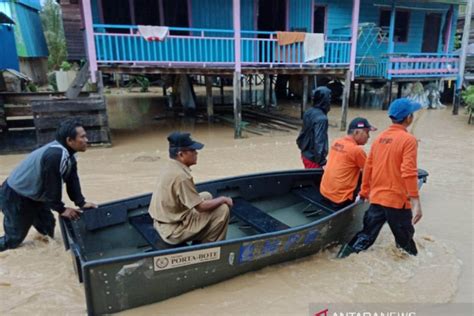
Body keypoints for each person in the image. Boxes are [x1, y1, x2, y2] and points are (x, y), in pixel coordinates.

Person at [337, 98, 423, 258]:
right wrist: (416, 201)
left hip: (376, 198)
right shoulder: (409, 140)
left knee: (365, 236)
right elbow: (409, 172)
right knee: (406, 242)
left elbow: (368, 168)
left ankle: (341, 258)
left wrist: (364, 192)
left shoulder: (379, 139)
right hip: (397, 201)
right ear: (409, 117)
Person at [0, 119, 97, 251]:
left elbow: (72, 180)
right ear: (70, 140)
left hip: (34, 195)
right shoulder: (56, 156)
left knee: (47, 231)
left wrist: (81, 203)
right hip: (16, 196)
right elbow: (52, 187)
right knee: (13, 240)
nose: (87, 140)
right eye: (83, 137)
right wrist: (62, 209)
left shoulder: (69, 155)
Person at [148, 132, 232, 245]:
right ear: (181, 154)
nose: (196, 153)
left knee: (206, 195)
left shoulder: (170, 165)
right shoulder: (181, 177)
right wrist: (223, 199)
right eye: (192, 151)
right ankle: (209, 247)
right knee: (223, 209)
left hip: (164, 221)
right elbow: (200, 207)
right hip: (173, 230)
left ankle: (202, 236)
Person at [320, 117, 377, 208]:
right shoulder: (356, 151)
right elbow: (371, 172)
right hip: (340, 198)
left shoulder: (336, 142)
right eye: (367, 132)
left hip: (324, 191)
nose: (369, 136)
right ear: (356, 132)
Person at [296, 86, 331, 168]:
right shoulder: (322, 119)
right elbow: (319, 141)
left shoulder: (308, 112)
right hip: (313, 158)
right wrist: (322, 162)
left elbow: (303, 133)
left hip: (305, 153)